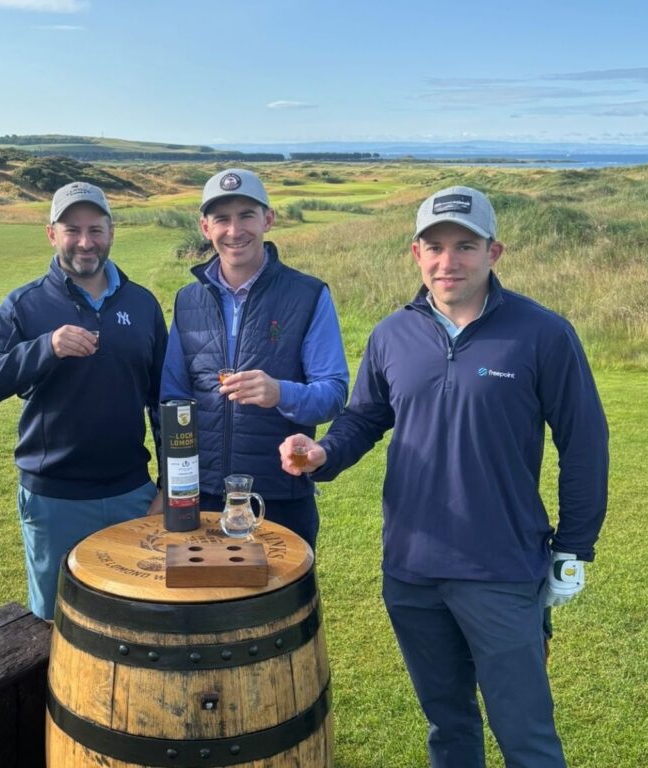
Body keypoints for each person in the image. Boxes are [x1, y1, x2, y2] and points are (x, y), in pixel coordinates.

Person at [280, 186, 609, 767]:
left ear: (494, 252)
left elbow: (584, 441)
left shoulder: (542, 333)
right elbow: (363, 417)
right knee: (448, 726)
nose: (447, 261)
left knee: (526, 736)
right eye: (434, 246)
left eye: (465, 245)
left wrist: (576, 545)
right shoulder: (391, 334)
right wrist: (324, 453)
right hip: (411, 569)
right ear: (415, 253)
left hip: (501, 569)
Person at [0, 181, 166, 620]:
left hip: (132, 493)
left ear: (111, 232)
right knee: (58, 623)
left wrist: (168, 487)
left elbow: (164, 401)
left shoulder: (142, 303)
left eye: (95, 229)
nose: (84, 242)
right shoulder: (25, 303)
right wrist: (48, 347)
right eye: (72, 229)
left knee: (137, 617)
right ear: (51, 234)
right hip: (54, 498)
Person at [160, 168, 349, 550]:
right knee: (202, 604)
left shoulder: (308, 294)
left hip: (278, 496)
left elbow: (332, 393)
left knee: (283, 607)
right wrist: (171, 486)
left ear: (268, 219)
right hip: (203, 498)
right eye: (222, 219)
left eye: (247, 215)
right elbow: (173, 400)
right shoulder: (187, 300)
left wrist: (280, 392)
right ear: (204, 226)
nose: (235, 231)